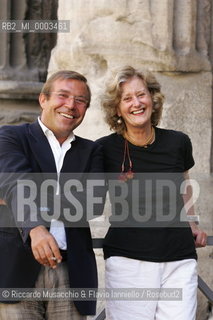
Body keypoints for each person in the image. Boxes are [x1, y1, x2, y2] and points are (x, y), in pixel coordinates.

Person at [96, 66, 207, 320]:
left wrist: (192, 222)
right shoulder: (104, 149)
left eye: (141, 95)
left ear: (153, 98)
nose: (137, 103)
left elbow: (184, 182)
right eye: (127, 98)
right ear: (117, 109)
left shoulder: (178, 142)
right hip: (128, 261)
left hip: (178, 259)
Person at [0, 70, 104, 319]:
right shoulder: (10, 137)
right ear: (43, 99)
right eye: (63, 95)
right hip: (15, 268)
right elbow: (17, 183)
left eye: (80, 100)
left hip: (72, 272)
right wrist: (35, 228)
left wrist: (18, 198)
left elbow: (92, 204)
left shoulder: (92, 151)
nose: (71, 105)